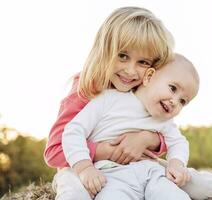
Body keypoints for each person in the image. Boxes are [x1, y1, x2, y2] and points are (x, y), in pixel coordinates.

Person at [45, 6, 212, 200]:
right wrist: (106, 152)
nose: (131, 71)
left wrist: (148, 139)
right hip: (78, 168)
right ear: (104, 50)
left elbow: (165, 131)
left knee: (192, 179)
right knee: (75, 193)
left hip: (136, 166)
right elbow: (55, 150)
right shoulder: (85, 89)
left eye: (143, 63)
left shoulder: (139, 90)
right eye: (122, 56)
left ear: (152, 71)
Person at [62, 54, 198, 199]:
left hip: (152, 174)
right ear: (149, 76)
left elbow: (178, 142)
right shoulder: (108, 99)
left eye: (183, 101)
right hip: (111, 175)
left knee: (175, 196)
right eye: (173, 88)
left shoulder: (164, 121)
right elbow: (73, 131)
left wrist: (176, 164)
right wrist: (84, 168)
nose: (174, 102)